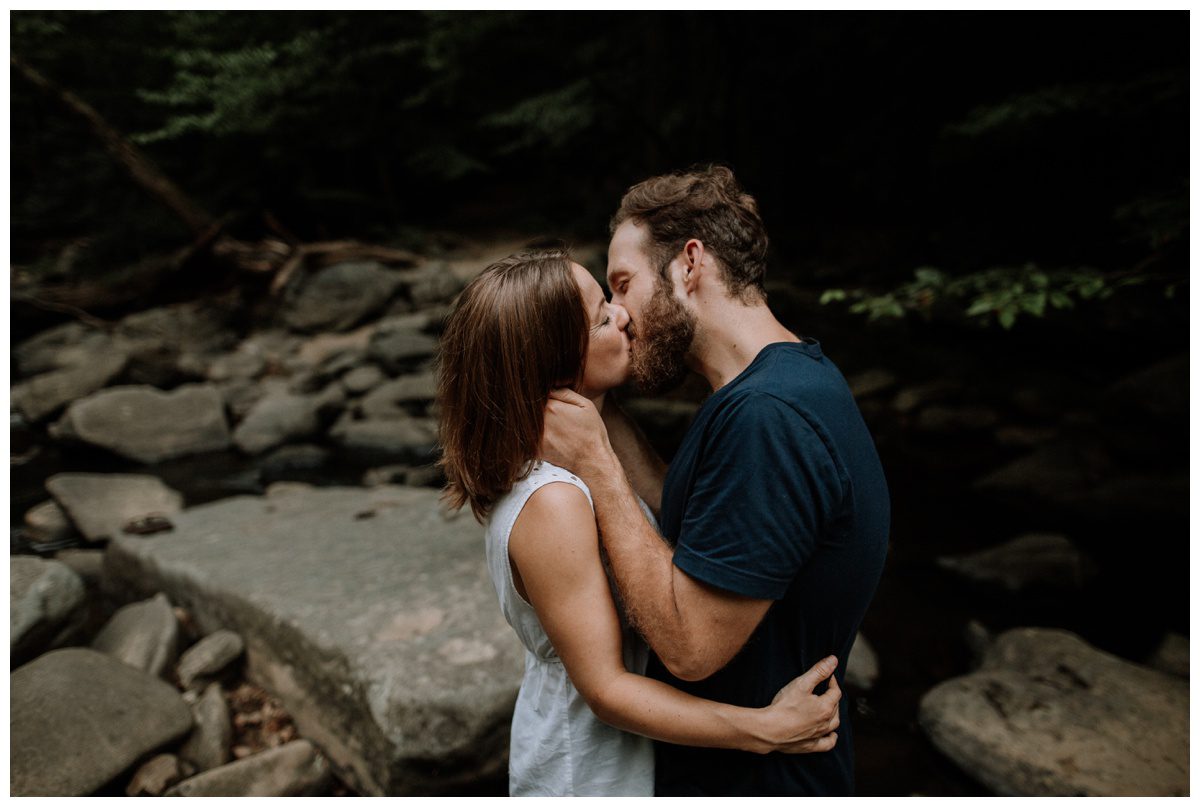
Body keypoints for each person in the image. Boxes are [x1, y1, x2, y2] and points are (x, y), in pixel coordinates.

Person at [436, 248, 843, 797]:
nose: (624, 314)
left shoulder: (582, 454)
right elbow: (606, 690)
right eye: (603, 316)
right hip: (589, 772)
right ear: (557, 360)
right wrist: (763, 729)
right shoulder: (553, 500)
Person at [540, 166, 891, 795]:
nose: (618, 315)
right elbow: (703, 523)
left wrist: (596, 466)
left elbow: (690, 647)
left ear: (688, 264)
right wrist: (599, 409)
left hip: (762, 780)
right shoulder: (780, 382)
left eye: (623, 285)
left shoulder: (766, 420)